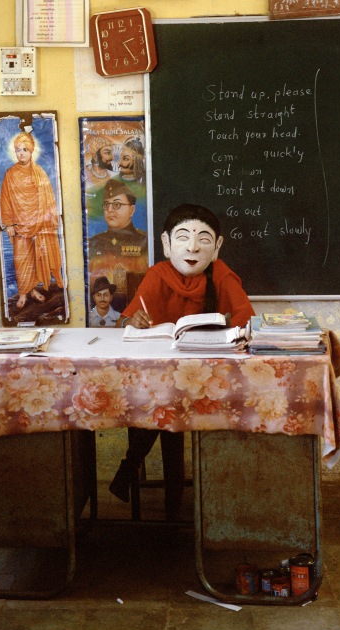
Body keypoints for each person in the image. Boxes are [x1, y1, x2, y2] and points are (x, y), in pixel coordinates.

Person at [109, 203, 254, 519]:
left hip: (210, 379)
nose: (192, 246)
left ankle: (132, 469)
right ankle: (171, 507)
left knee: (166, 405)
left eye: (203, 239)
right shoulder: (157, 275)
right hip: (163, 377)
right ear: (165, 244)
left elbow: (246, 320)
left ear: (216, 247)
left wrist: (229, 327)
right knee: (166, 403)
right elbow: (125, 321)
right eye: (183, 237)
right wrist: (133, 321)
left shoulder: (222, 276)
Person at [0, 131, 64, 310]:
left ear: (31, 151)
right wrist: (9, 223)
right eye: (18, 150)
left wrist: (50, 219)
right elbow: (5, 200)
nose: (21, 153)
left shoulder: (40, 173)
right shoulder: (10, 174)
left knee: (38, 260)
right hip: (20, 225)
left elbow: (49, 198)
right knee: (22, 260)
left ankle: (33, 290)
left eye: (25, 149)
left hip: (40, 224)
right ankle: (23, 293)